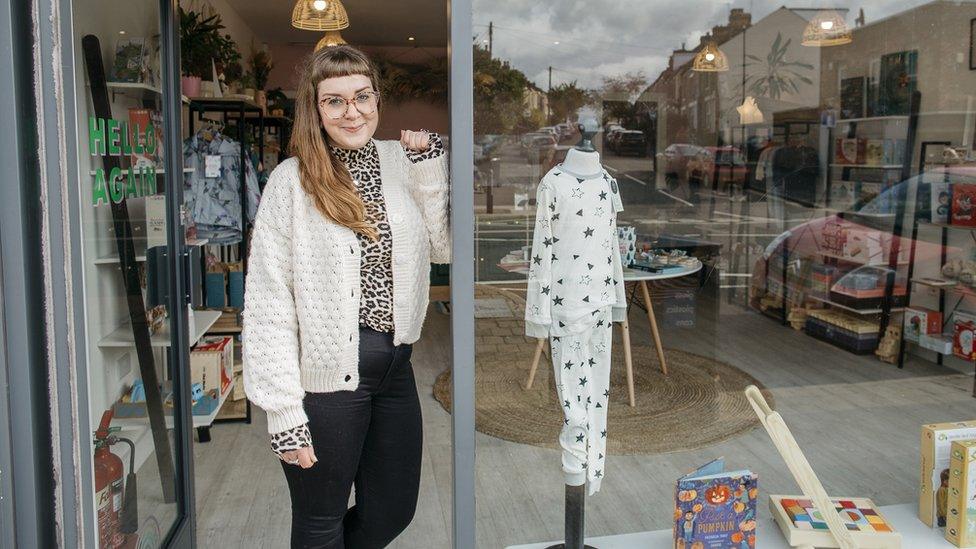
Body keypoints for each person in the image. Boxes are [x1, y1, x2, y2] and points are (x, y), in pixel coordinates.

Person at [242, 44, 450, 548]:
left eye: (361, 97)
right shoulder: (292, 181)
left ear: (377, 99)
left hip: (395, 366)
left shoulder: (404, 162)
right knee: (320, 521)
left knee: (394, 510)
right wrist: (284, 413)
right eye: (334, 101)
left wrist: (426, 169)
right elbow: (269, 301)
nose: (351, 111)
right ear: (315, 110)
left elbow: (444, 246)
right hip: (328, 376)